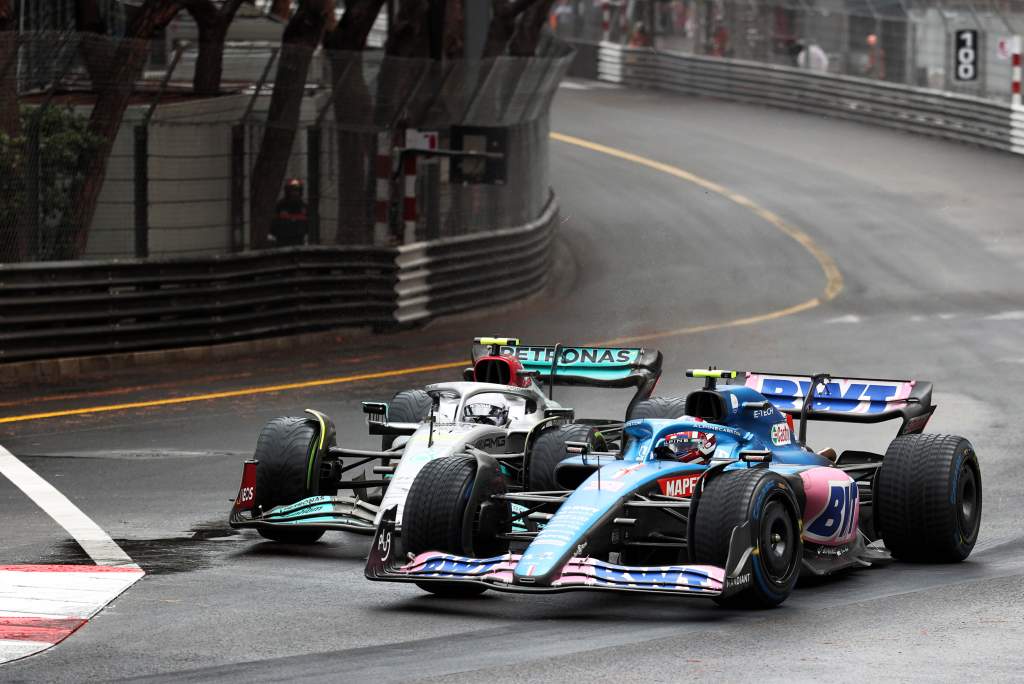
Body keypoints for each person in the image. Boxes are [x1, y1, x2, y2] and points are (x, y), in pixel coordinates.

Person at [269, 178, 309, 247]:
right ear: (288, 191)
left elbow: (308, 224)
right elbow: (273, 223)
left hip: (299, 241)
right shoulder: (280, 205)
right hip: (282, 241)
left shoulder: (304, 207)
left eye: (297, 190)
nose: (295, 193)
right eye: (292, 190)